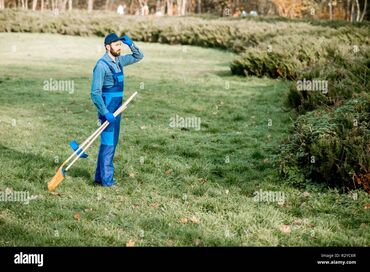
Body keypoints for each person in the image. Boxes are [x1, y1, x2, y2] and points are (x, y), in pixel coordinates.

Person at [91, 33, 144, 187]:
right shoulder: (101, 65)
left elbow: (139, 56)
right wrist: (105, 112)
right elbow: (95, 93)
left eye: (120, 45)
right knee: (108, 144)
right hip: (108, 111)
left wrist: (131, 44)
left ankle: (99, 178)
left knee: (111, 143)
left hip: (118, 109)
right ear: (108, 46)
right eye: (116, 45)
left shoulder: (119, 61)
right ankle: (107, 181)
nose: (119, 48)